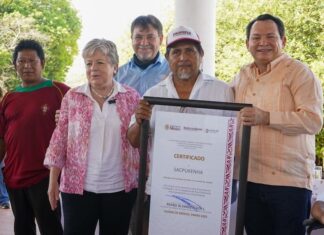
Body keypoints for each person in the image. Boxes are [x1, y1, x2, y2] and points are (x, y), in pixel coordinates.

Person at [127, 25, 235, 234]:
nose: (183, 57)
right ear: (168, 58)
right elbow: (133, 140)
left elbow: (233, 142)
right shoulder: (153, 94)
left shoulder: (222, 92)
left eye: (190, 51)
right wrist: (140, 121)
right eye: (176, 52)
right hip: (160, 192)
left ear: (201, 55)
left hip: (206, 195)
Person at [231, 14, 323, 235]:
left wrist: (267, 117)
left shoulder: (299, 72)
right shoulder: (242, 75)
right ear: (247, 44)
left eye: (270, 36)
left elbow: (313, 121)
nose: (263, 42)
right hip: (249, 180)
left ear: (283, 41)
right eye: (256, 37)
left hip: (288, 185)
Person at [44, 38, 140, 235]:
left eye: (100, 62)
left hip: (119, 189)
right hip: (77, 189)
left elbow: (140, 140)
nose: (93, 68)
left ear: (114, 66)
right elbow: (59, 139)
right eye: (88, 63)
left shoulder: (131, 97)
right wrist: (53, 180)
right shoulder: (73, 97)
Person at [0, 39, 69, 235]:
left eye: (32, 61)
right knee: (22, 228)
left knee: (51, 228)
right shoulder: (8, 98)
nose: (27, 66)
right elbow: (2, 139)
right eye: (21, 61)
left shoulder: (60, 91)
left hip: (45, 176)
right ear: (15, 65)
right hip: (13, 176)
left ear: (43, 63)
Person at [114, 14, 170, 96]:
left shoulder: (171, 72)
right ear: (132, 39)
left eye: (150, 37)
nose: (144, 43)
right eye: (138, 37)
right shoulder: (118, 76)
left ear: (160, 39)